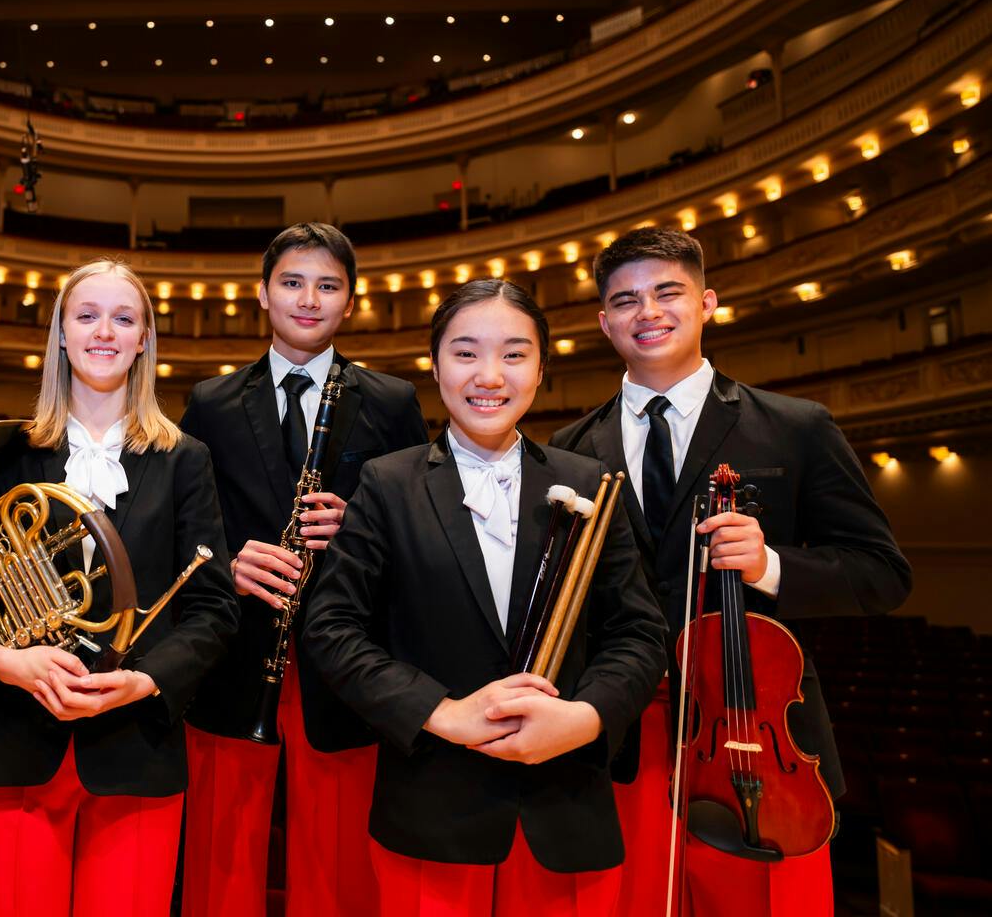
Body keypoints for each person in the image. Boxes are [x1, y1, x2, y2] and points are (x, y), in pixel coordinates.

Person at [550, 226, 912, 915]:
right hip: (618, 736)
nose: (647, 312)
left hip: (750, 734)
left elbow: (883, 574)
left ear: (708, 302)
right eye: (625, 300)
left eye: (667, 292)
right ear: (603, 322)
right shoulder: (568, 450)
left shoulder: (796, 427)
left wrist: (771, 565)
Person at [303, 278, 667, 916]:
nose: (489, 375)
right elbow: (332, 629)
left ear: (541, 369)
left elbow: (637, 634)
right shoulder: (388, 483)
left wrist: (583, 720)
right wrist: (444, 713)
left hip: (566, 809)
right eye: (466, 353)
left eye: (515, 354)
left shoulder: (590, 483)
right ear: (435, 365)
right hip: (431, 810)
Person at [0, 259, 240, 917]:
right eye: (87, 316)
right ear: (60, 334)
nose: (104, 332)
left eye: (123, 318)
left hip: (135, 751)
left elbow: (212, 609)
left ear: (144, 339)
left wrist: (144, 681)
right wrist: (8, 661)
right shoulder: (2, 452)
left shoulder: (185, 460)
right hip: (13, 745)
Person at [180, 222, 426, 917]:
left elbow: (423, 520)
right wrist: (227, 561)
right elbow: (187, 526)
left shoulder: (391, 401)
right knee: (219, 857)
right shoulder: (211, 402)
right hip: (235, 653)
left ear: (350, 301)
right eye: (292, 282)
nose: (308, 299)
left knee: (340, 857)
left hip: (346, 659)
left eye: (328, 285)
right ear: (262, 294)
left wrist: (361, 525)